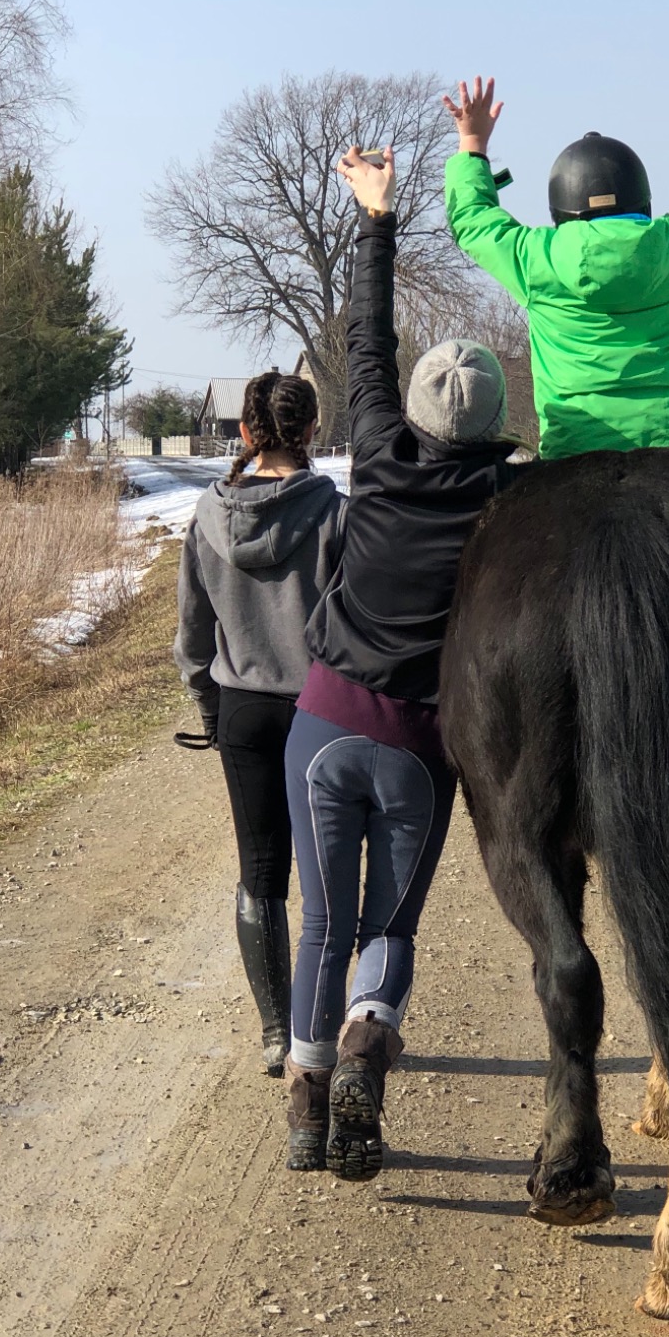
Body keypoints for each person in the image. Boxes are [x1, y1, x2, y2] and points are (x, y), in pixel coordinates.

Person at [283, 143, 523, 1179]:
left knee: (322, 923)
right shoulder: (509, 507)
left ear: (417, 413)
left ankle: (302, 1110)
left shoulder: (377, 453)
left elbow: (366, 347)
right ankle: (366, 1055)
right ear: (495, 426)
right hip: (424, 748)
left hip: (324, 725)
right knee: (387, 924)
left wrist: (376, 219)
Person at [442, 48, 669, 459]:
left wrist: (472, 143)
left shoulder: (536, 260)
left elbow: (472, 219)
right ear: (642, 199)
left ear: (559, 210)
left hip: (572, 460)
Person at [174, 371, 344, 1075]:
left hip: (242, 710)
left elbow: (192, 633)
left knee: (261, 873)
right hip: (323, 708)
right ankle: (318, 1032)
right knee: (330, 880)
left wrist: (210, 707)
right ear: (310, 432)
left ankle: (277, 1033)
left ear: (244, 434)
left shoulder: (207, 520)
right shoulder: (338, 514)